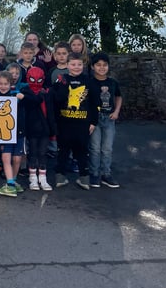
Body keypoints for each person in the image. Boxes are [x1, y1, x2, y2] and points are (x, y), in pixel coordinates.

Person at [52, 52, 98, 190]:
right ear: (67, 65)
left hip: (82, 123)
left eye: (79, 64)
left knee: (82, 150)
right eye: (73, 64)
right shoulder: (62, 80)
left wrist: (93, 122)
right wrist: (63, 85)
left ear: (83, 65)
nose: (76, 67)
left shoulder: (89, 81)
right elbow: (56, 100)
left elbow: (95, 103)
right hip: (64, 123)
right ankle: (60, 177)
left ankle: (84, 178)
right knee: (63, 150)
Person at [18, 67, 56, 191]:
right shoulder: (25, 91)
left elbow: (51, 111)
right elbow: (32, 102)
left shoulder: (46, 92)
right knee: (33, 152)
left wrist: (53, 130)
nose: (35, 82)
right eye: (33, 79)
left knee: (43, 153)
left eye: (38, 80)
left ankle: (43, 178)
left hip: (44, 127)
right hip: (31, 127)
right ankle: (33, 177)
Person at [88, 52, 122, 189]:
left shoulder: (113, 82)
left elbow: (118, 96)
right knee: (95, 148)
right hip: (94, 118)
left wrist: (116, 111)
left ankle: (106, 174)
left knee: (107, 148)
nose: (102, 68)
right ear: (92, 67)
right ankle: (94, 173)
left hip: (109, 118)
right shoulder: (89, 82)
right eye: (98, 65)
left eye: (105, 65)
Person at [0, 71, 27, 197]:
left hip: (19, 131)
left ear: (10, 84)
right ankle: (10, 183)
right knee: (6, 158)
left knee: (17, 159)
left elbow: (32, 102)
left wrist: (23, 98)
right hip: (5, 133)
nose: (3, 86)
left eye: (6, 84)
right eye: (0, 84)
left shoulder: (16, 94)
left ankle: (13, 181)